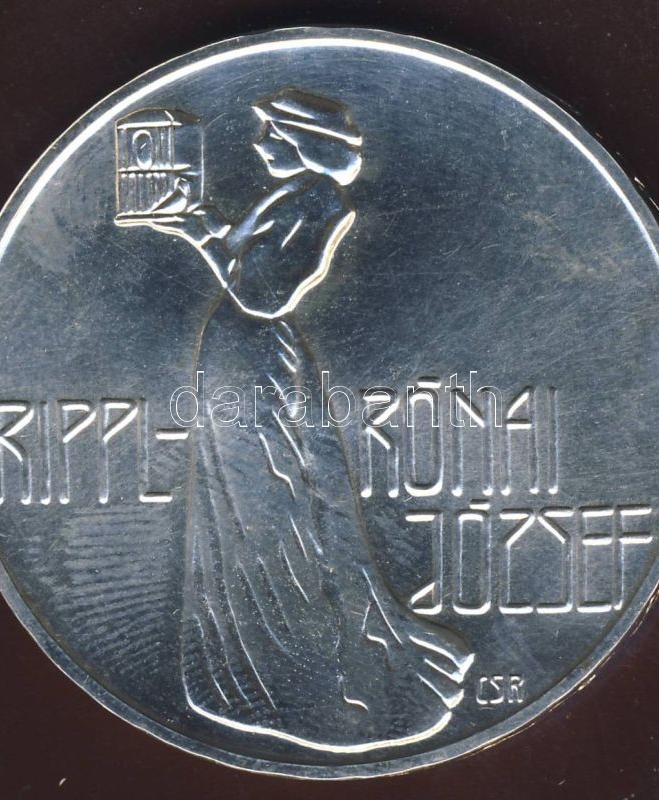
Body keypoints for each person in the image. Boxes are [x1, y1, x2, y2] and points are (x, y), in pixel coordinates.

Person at [148, 89, 474, 752]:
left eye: (269, 132)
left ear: (300, 138)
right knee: (245, 506)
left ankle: (289, 675)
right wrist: (198, 223)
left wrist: (203, 234)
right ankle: (245, 673)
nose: (258, 144)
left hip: (254, 357)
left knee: (270, 507)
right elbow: (247, 268)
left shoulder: (320, 203)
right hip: (239, 355)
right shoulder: (295, 196)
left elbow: (260, 292)